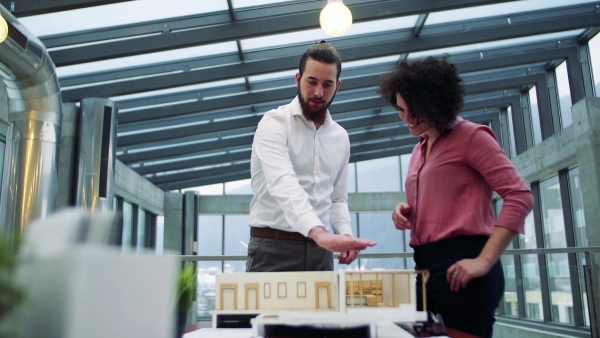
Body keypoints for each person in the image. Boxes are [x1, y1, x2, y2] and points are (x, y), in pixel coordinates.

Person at [378, 56, 534, 338]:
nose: (405, 118)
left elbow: (520, 196)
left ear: (435, 104)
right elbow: (445, 199)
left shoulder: (471, 137)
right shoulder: (420, 148)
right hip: (425, 269)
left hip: (464, 266)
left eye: (413, 111)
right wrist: (407, 211)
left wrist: (484, 261)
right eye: (400, 109)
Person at [246, 41, 376, 272]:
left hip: (321, 254)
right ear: (298, 79)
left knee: (323, 310)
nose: (318, 92)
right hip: (273, 248)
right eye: (311, 82)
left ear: (338, 86)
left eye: (327, 85)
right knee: (266, 311)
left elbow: (337, 199)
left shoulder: (340, 137)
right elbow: (283, 184)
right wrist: (319, 232)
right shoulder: (273, 123)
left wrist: (344, 234)